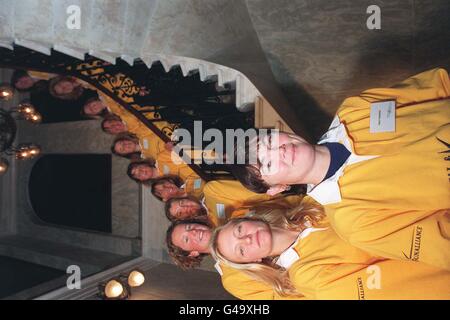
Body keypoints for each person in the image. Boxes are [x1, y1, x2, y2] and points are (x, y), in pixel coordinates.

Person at [230, 68, 450, 271]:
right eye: (267, 164)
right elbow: (442, 244)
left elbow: (436, 86)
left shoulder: (353, 111)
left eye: (268, 141)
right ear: (278, 188)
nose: (279, 151)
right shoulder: (355, 222)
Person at [210, 203, 450, 300]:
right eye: (241, 249)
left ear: (248, 219)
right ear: (254, 261)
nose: (248, 238)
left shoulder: (311, 204)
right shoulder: (306, 274)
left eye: (240, 229)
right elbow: (395, 287)